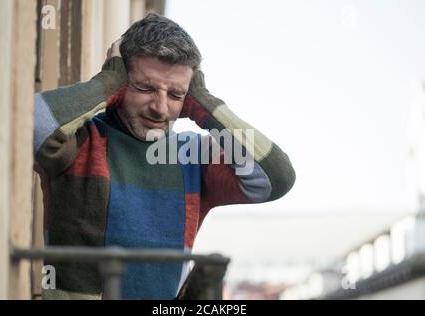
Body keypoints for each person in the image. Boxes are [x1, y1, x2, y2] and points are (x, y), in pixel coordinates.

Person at [34, 13, 296, 300]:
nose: (160, 108)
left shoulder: (192, 156)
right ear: (122, 83)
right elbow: (30, 126)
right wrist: (107, 82)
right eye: (146, 87)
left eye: (176, 94)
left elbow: (275, 178)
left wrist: (204, 105)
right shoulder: (81, 141)